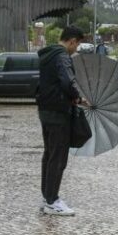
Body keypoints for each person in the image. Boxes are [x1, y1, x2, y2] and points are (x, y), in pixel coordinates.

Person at [36, 26, 88, 216]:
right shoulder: (62, 56)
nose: (77, 48)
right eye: (78, 44)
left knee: (49, 154)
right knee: (58, 157)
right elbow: (67, 81)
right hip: (59, 112)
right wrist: (78, 97)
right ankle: (52, 201)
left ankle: (46, 195)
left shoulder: (47, 54)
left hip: (45, 110)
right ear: (72, 41)